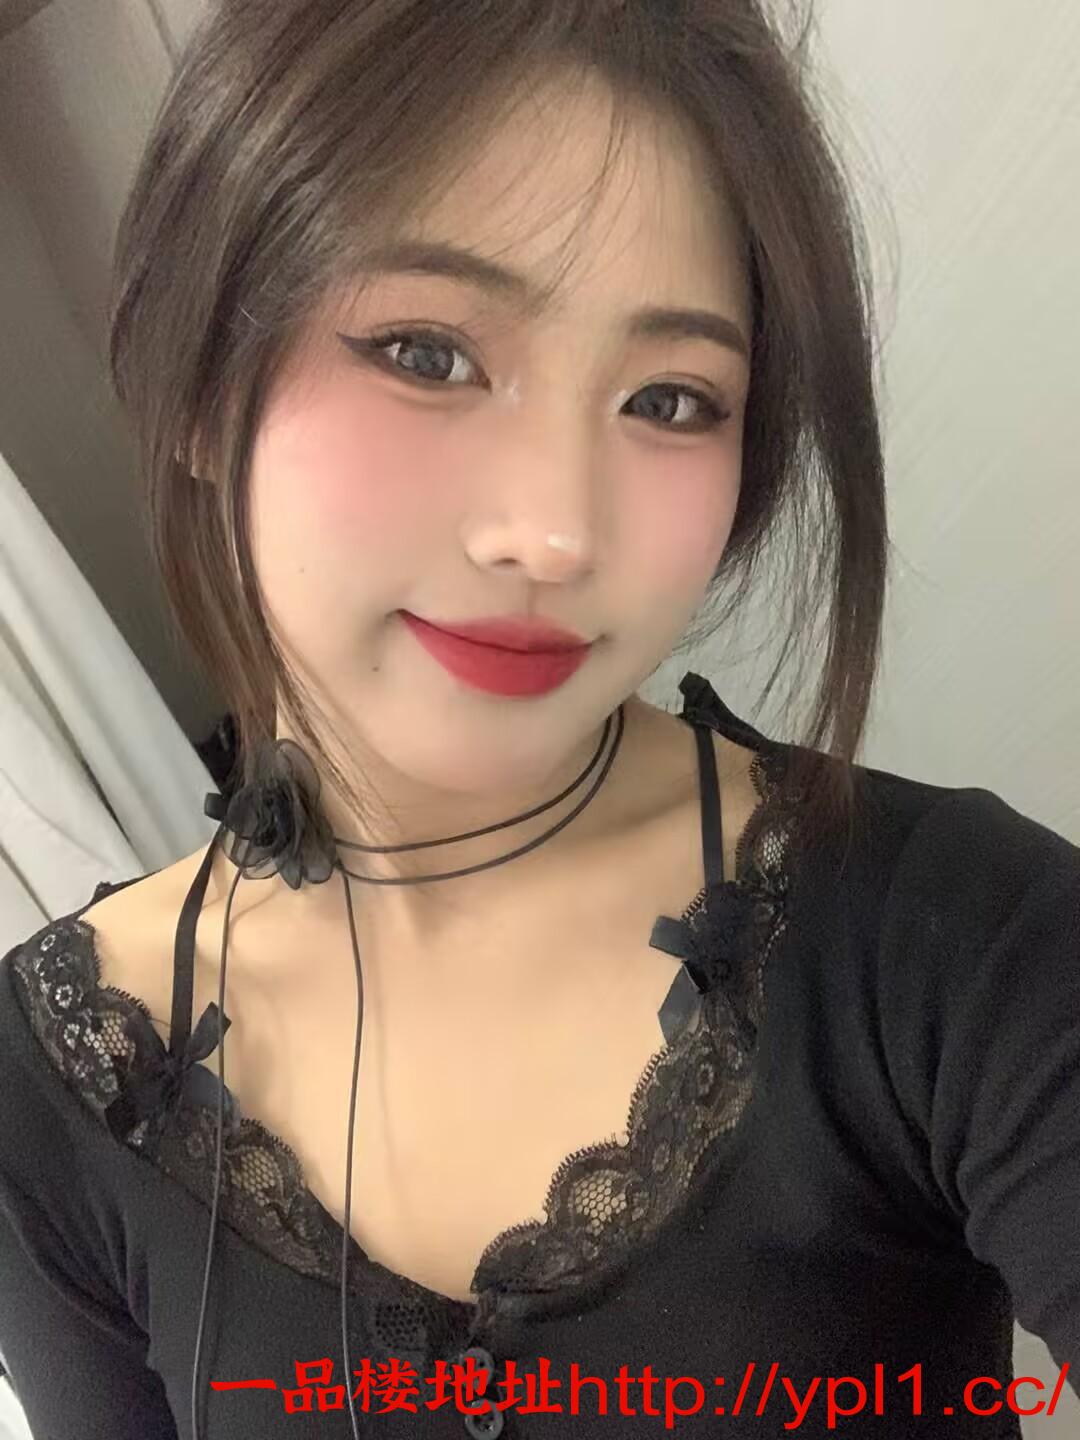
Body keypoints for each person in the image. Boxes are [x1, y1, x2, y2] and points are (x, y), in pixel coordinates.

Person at [1, 2, 1078, 1437]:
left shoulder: (964, 947)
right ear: (199, 381)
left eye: (671, 398)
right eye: (426, 352)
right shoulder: (51, 1098)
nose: (556, 531)